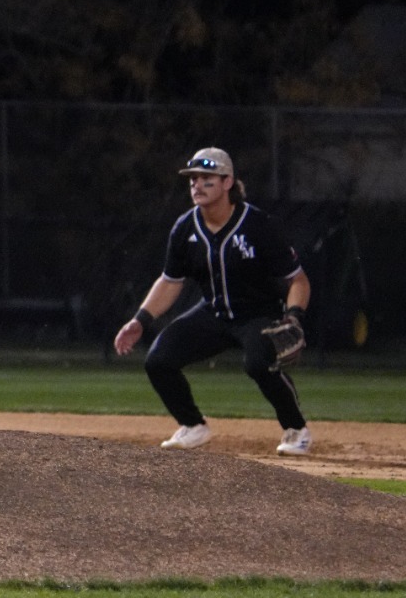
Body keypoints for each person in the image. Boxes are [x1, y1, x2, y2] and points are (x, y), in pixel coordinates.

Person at [113, 147, 314, 456]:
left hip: (258, 314)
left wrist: (294, 316)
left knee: (259, 365)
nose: (197, 185)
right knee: (159, 360)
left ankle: (296, 429)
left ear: (227, 182)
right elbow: (169, 282)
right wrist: (141, 319)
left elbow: (297, 279)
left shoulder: (258, 225)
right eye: (193, 179)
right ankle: (193, 426)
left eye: (207, 178)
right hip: (215, 312)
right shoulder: (185, 227)